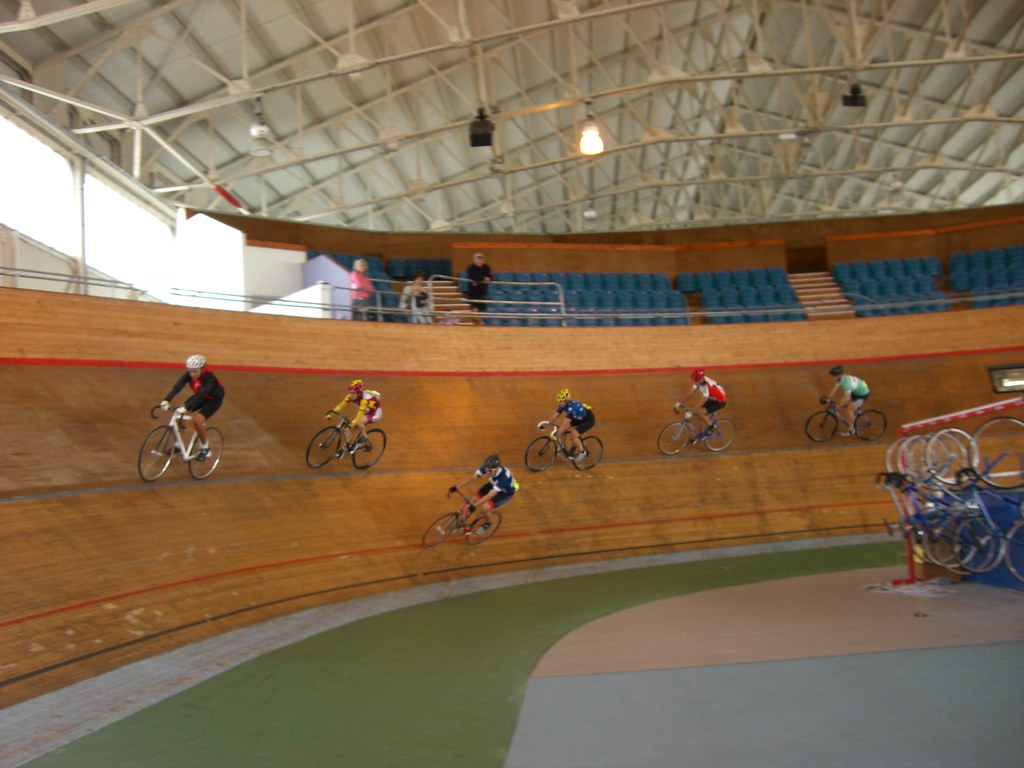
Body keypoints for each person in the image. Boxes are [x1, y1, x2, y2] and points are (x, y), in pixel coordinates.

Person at [160, 354, 225, 461]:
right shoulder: (189, 374)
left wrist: (187, 407)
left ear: (202, 369)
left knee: (197, 420)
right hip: (200, 396)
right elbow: (178, 387)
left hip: (213, 399)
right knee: (178, 414)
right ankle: (178, 445)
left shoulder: (210, 379)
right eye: (190, 371)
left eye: (195, 371)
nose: (192, 374)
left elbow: (201, 394)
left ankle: (205, 448)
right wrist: (166, 400)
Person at [447, 454, 518, 534]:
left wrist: (476, 505)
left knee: (484, 507)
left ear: (497, 469)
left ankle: (487, 524)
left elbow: (491, 494)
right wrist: (457, 487)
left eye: (490, 471)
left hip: (505, 493)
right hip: (493, 485)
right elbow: (473, 478)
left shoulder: (504, 478)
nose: (487, 473)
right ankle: (461, 523)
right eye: (486, 470)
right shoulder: (488, 468)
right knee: (471, 501)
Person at [539, 388, 595, 462]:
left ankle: (582, 452)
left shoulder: (572, 407)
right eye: (559, 401)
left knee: (572, 435)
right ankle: (563, 447)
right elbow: (555, 416)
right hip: (577, 418)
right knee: (562, 430)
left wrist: (557, 433)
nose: (560, 403)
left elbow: (566, 422)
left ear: (566, 401)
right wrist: (547, 424)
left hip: (588, 420)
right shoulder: (562, 405)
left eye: (561, 401)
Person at [324, 378, 382, 447]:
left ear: (359, 393)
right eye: (350, 392)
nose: (351, 395)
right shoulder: (350, 396)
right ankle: (346, 447)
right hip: (366, 412)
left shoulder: (364, 400)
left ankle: (365, 437)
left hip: (375, 413)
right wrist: (332, 413)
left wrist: (351, 424)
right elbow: (341, 405)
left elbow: (360, 415)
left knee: (357, 422)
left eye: (353, 393)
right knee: (351, 428)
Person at [675, 368, 726, 435]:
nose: (695, 382)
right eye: (694, 380)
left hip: (719, 401)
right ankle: (700, 435)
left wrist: (691, 411)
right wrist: (679, 403)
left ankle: (712, 426)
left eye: (696, 381)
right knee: (698, 416)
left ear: (701, 379)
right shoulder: (699, 381)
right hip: (712, 398)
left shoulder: (707, 386)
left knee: (699, 412)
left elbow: (701, 402)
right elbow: (691, 393)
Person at [826, 365, 870, 436]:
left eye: (833, 376)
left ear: (838, 375)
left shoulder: (847, 383)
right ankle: (857, 412)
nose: (832, 378)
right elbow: (834, 391)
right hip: (856, 391)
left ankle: (852, 430)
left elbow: (847, 398)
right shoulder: (840, 379)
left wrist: (838, 406)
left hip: (862, 394)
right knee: (844, 401)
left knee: (849, 410)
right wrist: (827, 399)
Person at [464, 251, 492, 324]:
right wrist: (483, 278)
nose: (479, 260)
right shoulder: (471, 268)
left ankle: (479, 323)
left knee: (481, 309)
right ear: (474, 260)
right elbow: (472, 277)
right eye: (478, 259)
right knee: (475, 308)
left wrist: (478, 280)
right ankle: (477, 323)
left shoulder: (486, 267)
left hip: (483, 292)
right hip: (473, 292)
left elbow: (490, 277)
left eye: (481, 259)